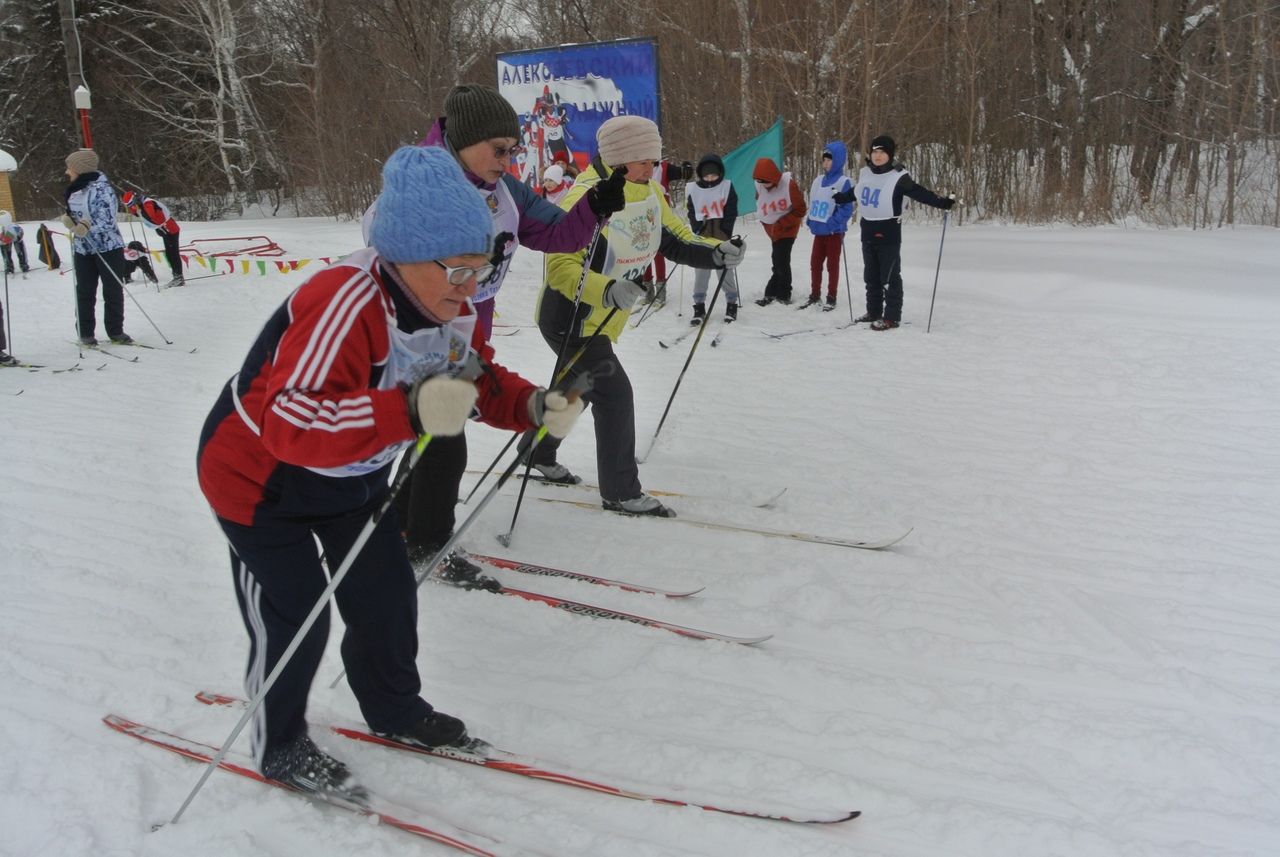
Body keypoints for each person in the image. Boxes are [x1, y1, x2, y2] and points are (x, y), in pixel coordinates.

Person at [195, 145, 585, 801]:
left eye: (480, 268)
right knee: (295, 611)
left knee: (385, 595)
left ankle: (395, 708)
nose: (470, 285)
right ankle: (279, 738)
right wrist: (407, 409)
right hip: (261, 482)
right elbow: (292, 423)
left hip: (354, 477)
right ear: (403, 254)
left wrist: (529, 405)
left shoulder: (446, 308)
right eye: (458, 269)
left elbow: (474, 378)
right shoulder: (343, 303)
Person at [387, 83, 625, 585]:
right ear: (465, 140)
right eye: (499, 150)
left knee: (437, 428)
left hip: (470, 331)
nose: (508, 159)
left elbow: (559, 234)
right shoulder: (423, 182)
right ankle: (423, 541)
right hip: (421, 327)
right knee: (442, 433)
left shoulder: (504, 188)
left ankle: (400, 525)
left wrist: (595, 206)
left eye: (513, 150)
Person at [531, 115, 745, 517]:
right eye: (644, 160)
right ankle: (620, 491)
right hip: (571, 317)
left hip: (602, 318)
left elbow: (675, 237)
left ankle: (537, 453)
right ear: (618, 159)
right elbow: (561, 268)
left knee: (577, 389)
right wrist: (607, 290)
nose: (653, 168)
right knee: (613, 394)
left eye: (654, 159)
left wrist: (716, 252)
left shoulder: (648, 191)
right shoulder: (585, 196)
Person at [835, 135, 954, 330]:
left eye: (882, 152)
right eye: (875, 152)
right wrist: (840, 197)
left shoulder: (899, 176)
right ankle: (873, 312)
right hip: (868, 230)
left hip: (888, 231)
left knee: (889, 277)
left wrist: (942, 202)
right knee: (871, 276)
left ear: (890, 155)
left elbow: (918, 192)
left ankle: (891, 317)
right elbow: (857, 191)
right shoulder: (866, 174)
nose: (878, 155)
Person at [61, 149, 131, 346]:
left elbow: (107, 221)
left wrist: (85, 228)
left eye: (71, 168)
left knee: (112, 290)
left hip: (108, 247)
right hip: (83, 249)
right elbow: (76, 217)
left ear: (81, 169)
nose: (68, 172)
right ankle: (85, 333)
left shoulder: (103, 189)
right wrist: (70, 221)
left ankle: (116, 331)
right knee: (84, 291)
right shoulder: (75, 189)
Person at [684, 153, 740, 324]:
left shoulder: (726, 186)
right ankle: (699, 305)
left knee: (725, 268)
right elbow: (692, 211)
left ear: (719, 174)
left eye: (713, 175)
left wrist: (725, 229)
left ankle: (731, 302)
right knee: (701, 270)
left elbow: (731, 210)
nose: (710, 179)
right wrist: (697, 227)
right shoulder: (694, 189)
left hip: (721, 235)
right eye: (706, 175)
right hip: (702, 236)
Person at [801, 142, 854, 310]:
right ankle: (814, 294)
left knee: (832, 264)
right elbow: (815, 202)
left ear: (837, 161)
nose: (825, 163)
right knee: (815, 263)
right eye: (824, 160)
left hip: (833, 231)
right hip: (819, 231)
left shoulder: (844, 182)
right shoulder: (818, 181)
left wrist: (832, 223)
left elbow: (846, 209)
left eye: (829, 160)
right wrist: (810, 219)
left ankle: (831, 296)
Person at [751, 157, 806, 306]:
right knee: (777, 261)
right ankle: (772, 293)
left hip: (787, 230)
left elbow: (801, 209)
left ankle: (783, 294)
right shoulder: (760, 186)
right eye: (760, 182)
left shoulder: (789, 185)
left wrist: (781, 224)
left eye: (766, 182)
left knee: (781, 261)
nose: (764, 186)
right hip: (773, 231)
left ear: (773, 177)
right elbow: (762, 204)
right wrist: (769, 224)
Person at [121, 190, 184, 287]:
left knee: (173, 254)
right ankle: (178, 277)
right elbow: (140, 214)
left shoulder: (148, 204)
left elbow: (157, 219)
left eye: (131, 204)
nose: (131, 206)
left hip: (170, 229)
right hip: (165, 230)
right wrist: (135, 210)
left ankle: (178, 278)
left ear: (135, 199)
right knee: (169, 253)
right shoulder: (142, 203)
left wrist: (139, 210)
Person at [0, 211, 32, 275]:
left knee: (20, 251)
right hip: (4, 238)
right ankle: (9, 267)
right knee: (6, 252)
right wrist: (2, 240)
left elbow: (20, 233)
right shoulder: (1, 229)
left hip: (15, 236)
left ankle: (24, 265)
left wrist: (17, 237)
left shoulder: (14, 227)